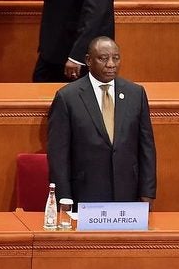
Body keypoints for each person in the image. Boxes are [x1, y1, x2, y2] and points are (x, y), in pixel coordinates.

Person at [47, 36, 156, 204]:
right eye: (103, 58)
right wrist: (64, 199)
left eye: (116, 58)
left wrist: (147, 192)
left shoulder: (136, 94)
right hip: (84, 194)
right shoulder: (67, 97)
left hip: (127, 193)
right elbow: (58, 155)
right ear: (89, 61)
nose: (111, 64)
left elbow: (146, 147)